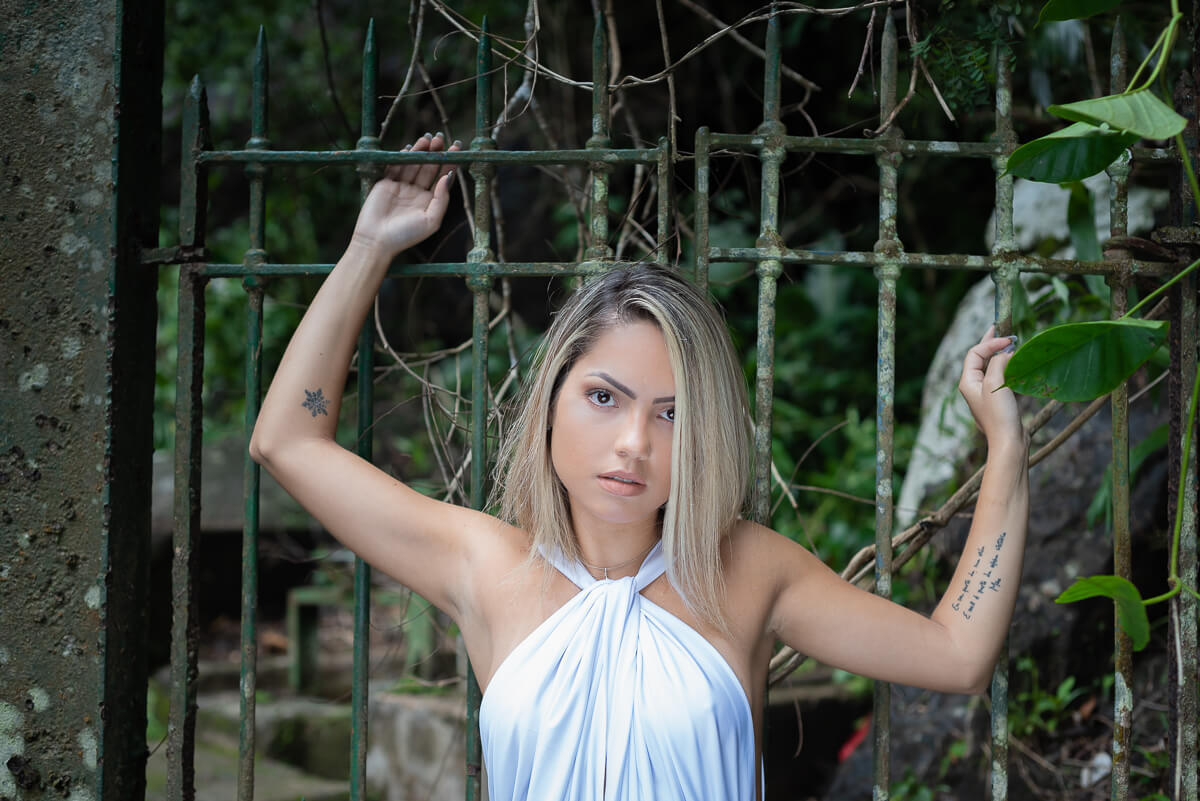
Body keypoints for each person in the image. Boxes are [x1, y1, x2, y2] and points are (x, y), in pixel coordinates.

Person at [249, 132, 1029, 800]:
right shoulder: (484, 564)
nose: (634, 442)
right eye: (603, 397)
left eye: (671, 412)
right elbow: (287, 441)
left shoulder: (747, 571)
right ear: (551, 400)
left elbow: (955, 654)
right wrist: (369, 248)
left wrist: (1005, 447)